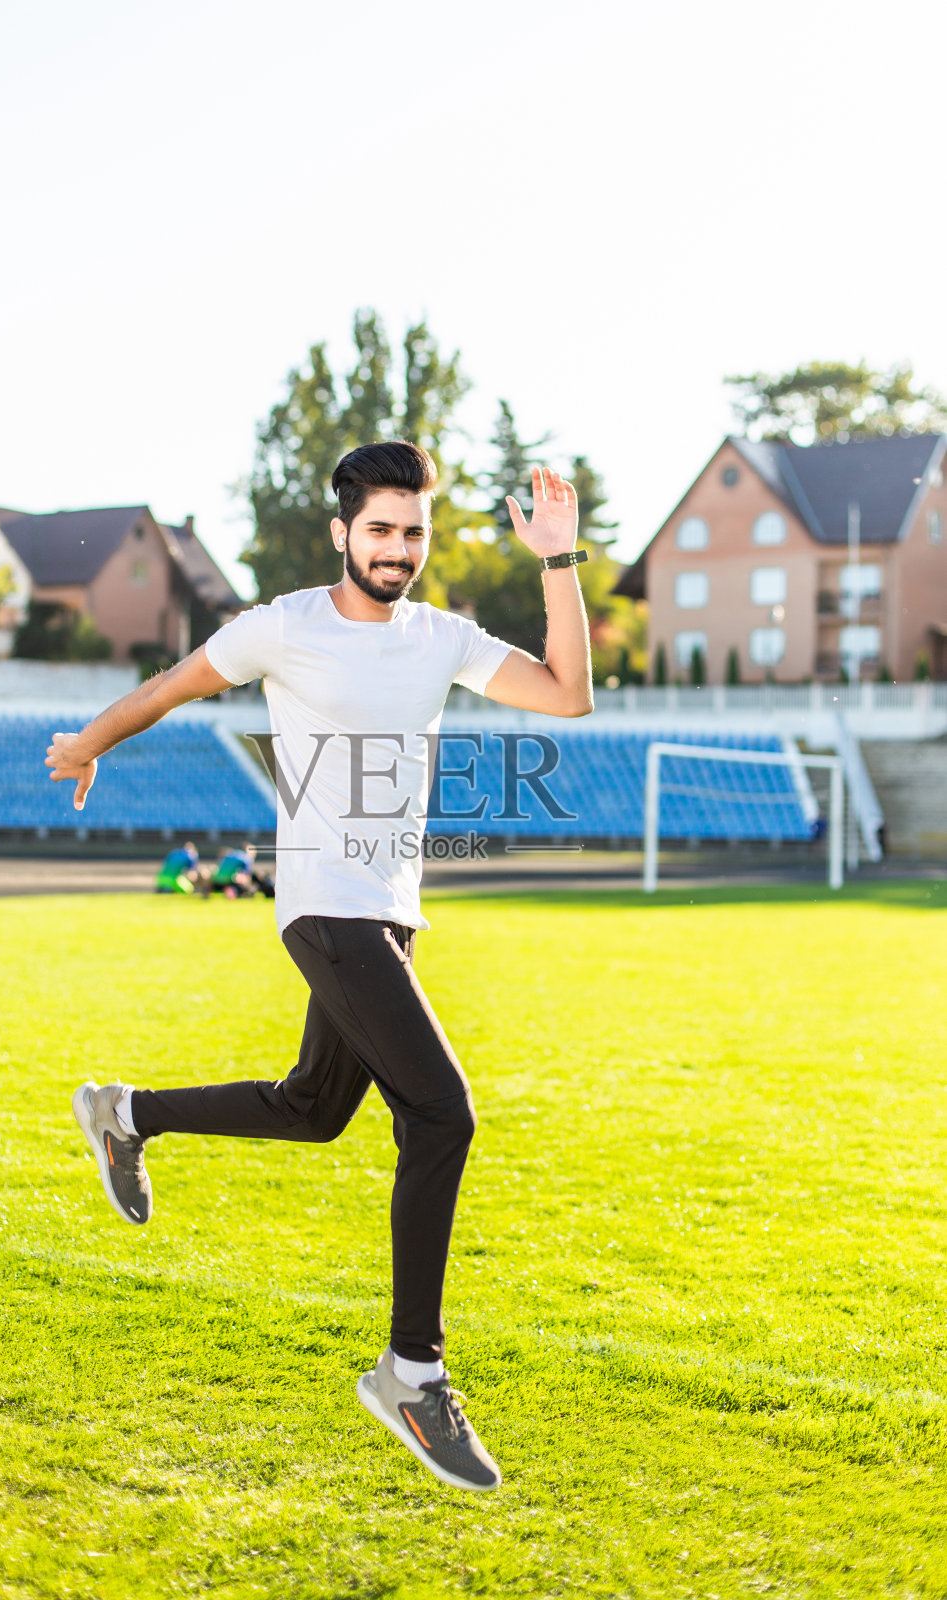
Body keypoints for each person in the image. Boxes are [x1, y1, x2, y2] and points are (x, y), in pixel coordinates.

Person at [49, 442, 592, 1492]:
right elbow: (172, 684)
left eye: (413, 531)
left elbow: (567, 694)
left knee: (312, 1107)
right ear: (341, 532)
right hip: (323, 906)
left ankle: (124, 1112)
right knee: (441, 1114)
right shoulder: (282, 626)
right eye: (380, 529)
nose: (397, 549)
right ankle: (410, 1370)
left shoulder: (441, 638)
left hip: (388, 914)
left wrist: (556, 562)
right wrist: (90, 742)